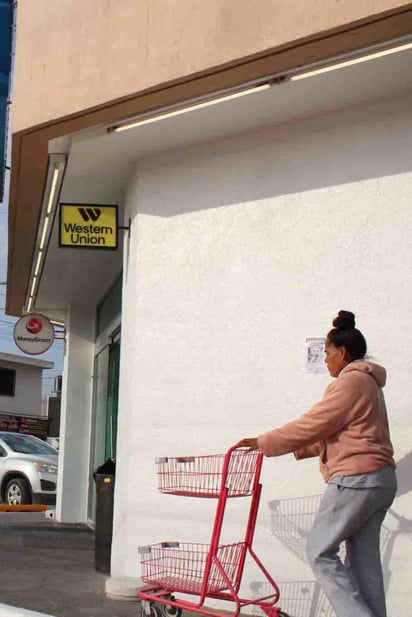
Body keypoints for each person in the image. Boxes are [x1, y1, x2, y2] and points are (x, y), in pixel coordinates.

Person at [237, 310, 396, 617]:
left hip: (356, 480)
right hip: (380, 481)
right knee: (364, 563)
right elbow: (338, 432)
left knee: (319, 551)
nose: (325, 360)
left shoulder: (350, 383)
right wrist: (297, 449)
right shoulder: (369, 383)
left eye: (327, 352)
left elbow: (314, 424)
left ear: (342, 352)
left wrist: (264, 442)